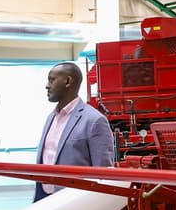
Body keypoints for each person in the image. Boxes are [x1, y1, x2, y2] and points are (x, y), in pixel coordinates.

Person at [34, 61, 115, 202]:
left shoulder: (94, 120)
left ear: (68, 81)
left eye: (52, 80)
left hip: (75, 204)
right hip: (44, 199)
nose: (47, 85)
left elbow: (103, 175)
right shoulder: (51, 117)